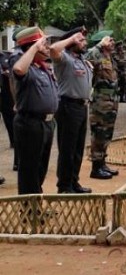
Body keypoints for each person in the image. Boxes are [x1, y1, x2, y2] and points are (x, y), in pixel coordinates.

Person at [12, 27, 58, 194]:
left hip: (46, 123)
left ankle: (36, 203)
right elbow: (18, 70)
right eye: (44, 44)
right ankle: (28, 211)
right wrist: (34, 47)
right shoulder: (25, 66)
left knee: (41, 167)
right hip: (30, 123)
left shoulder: (43, 67)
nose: (47, 47)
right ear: (33, 46)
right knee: (29, 169)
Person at [50, 27, 93, 194]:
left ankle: (74, 182)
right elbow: (53, 48)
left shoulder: (81, 59)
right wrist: (70, 39)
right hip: (68, 106)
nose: (84, 43)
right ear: (72, 41)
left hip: (82, 106)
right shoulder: (64, 59)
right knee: (67, 148)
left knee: (77, 148)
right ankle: (64, 186)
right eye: (81, 40)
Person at [87, 34, 120, 180]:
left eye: (113, 39)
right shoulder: (95, 54)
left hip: (111, 101)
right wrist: (99, 46)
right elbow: (86, 58)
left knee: (107, 134)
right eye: (109, 39)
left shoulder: (109, 57)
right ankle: (96, 167)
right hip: (100, 101)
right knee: (99, 133)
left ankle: (102, 163)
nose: (112, 42)